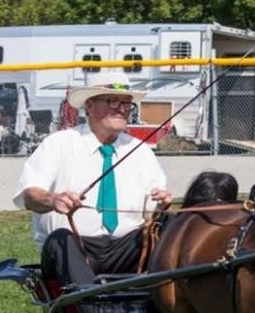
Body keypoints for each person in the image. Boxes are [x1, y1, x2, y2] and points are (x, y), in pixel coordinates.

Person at [15, 69, 172, 293]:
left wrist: (161, 205)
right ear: (89, 105)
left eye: (126, 103)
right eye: (112, 101)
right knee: (59, 239)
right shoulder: (59, 144)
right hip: (73, 249)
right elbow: (30, 196)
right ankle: (94, 307)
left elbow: (153, 214)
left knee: (170, 225)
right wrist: (53, 200)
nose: (122, 109)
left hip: (125, 249)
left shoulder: (140, 151)